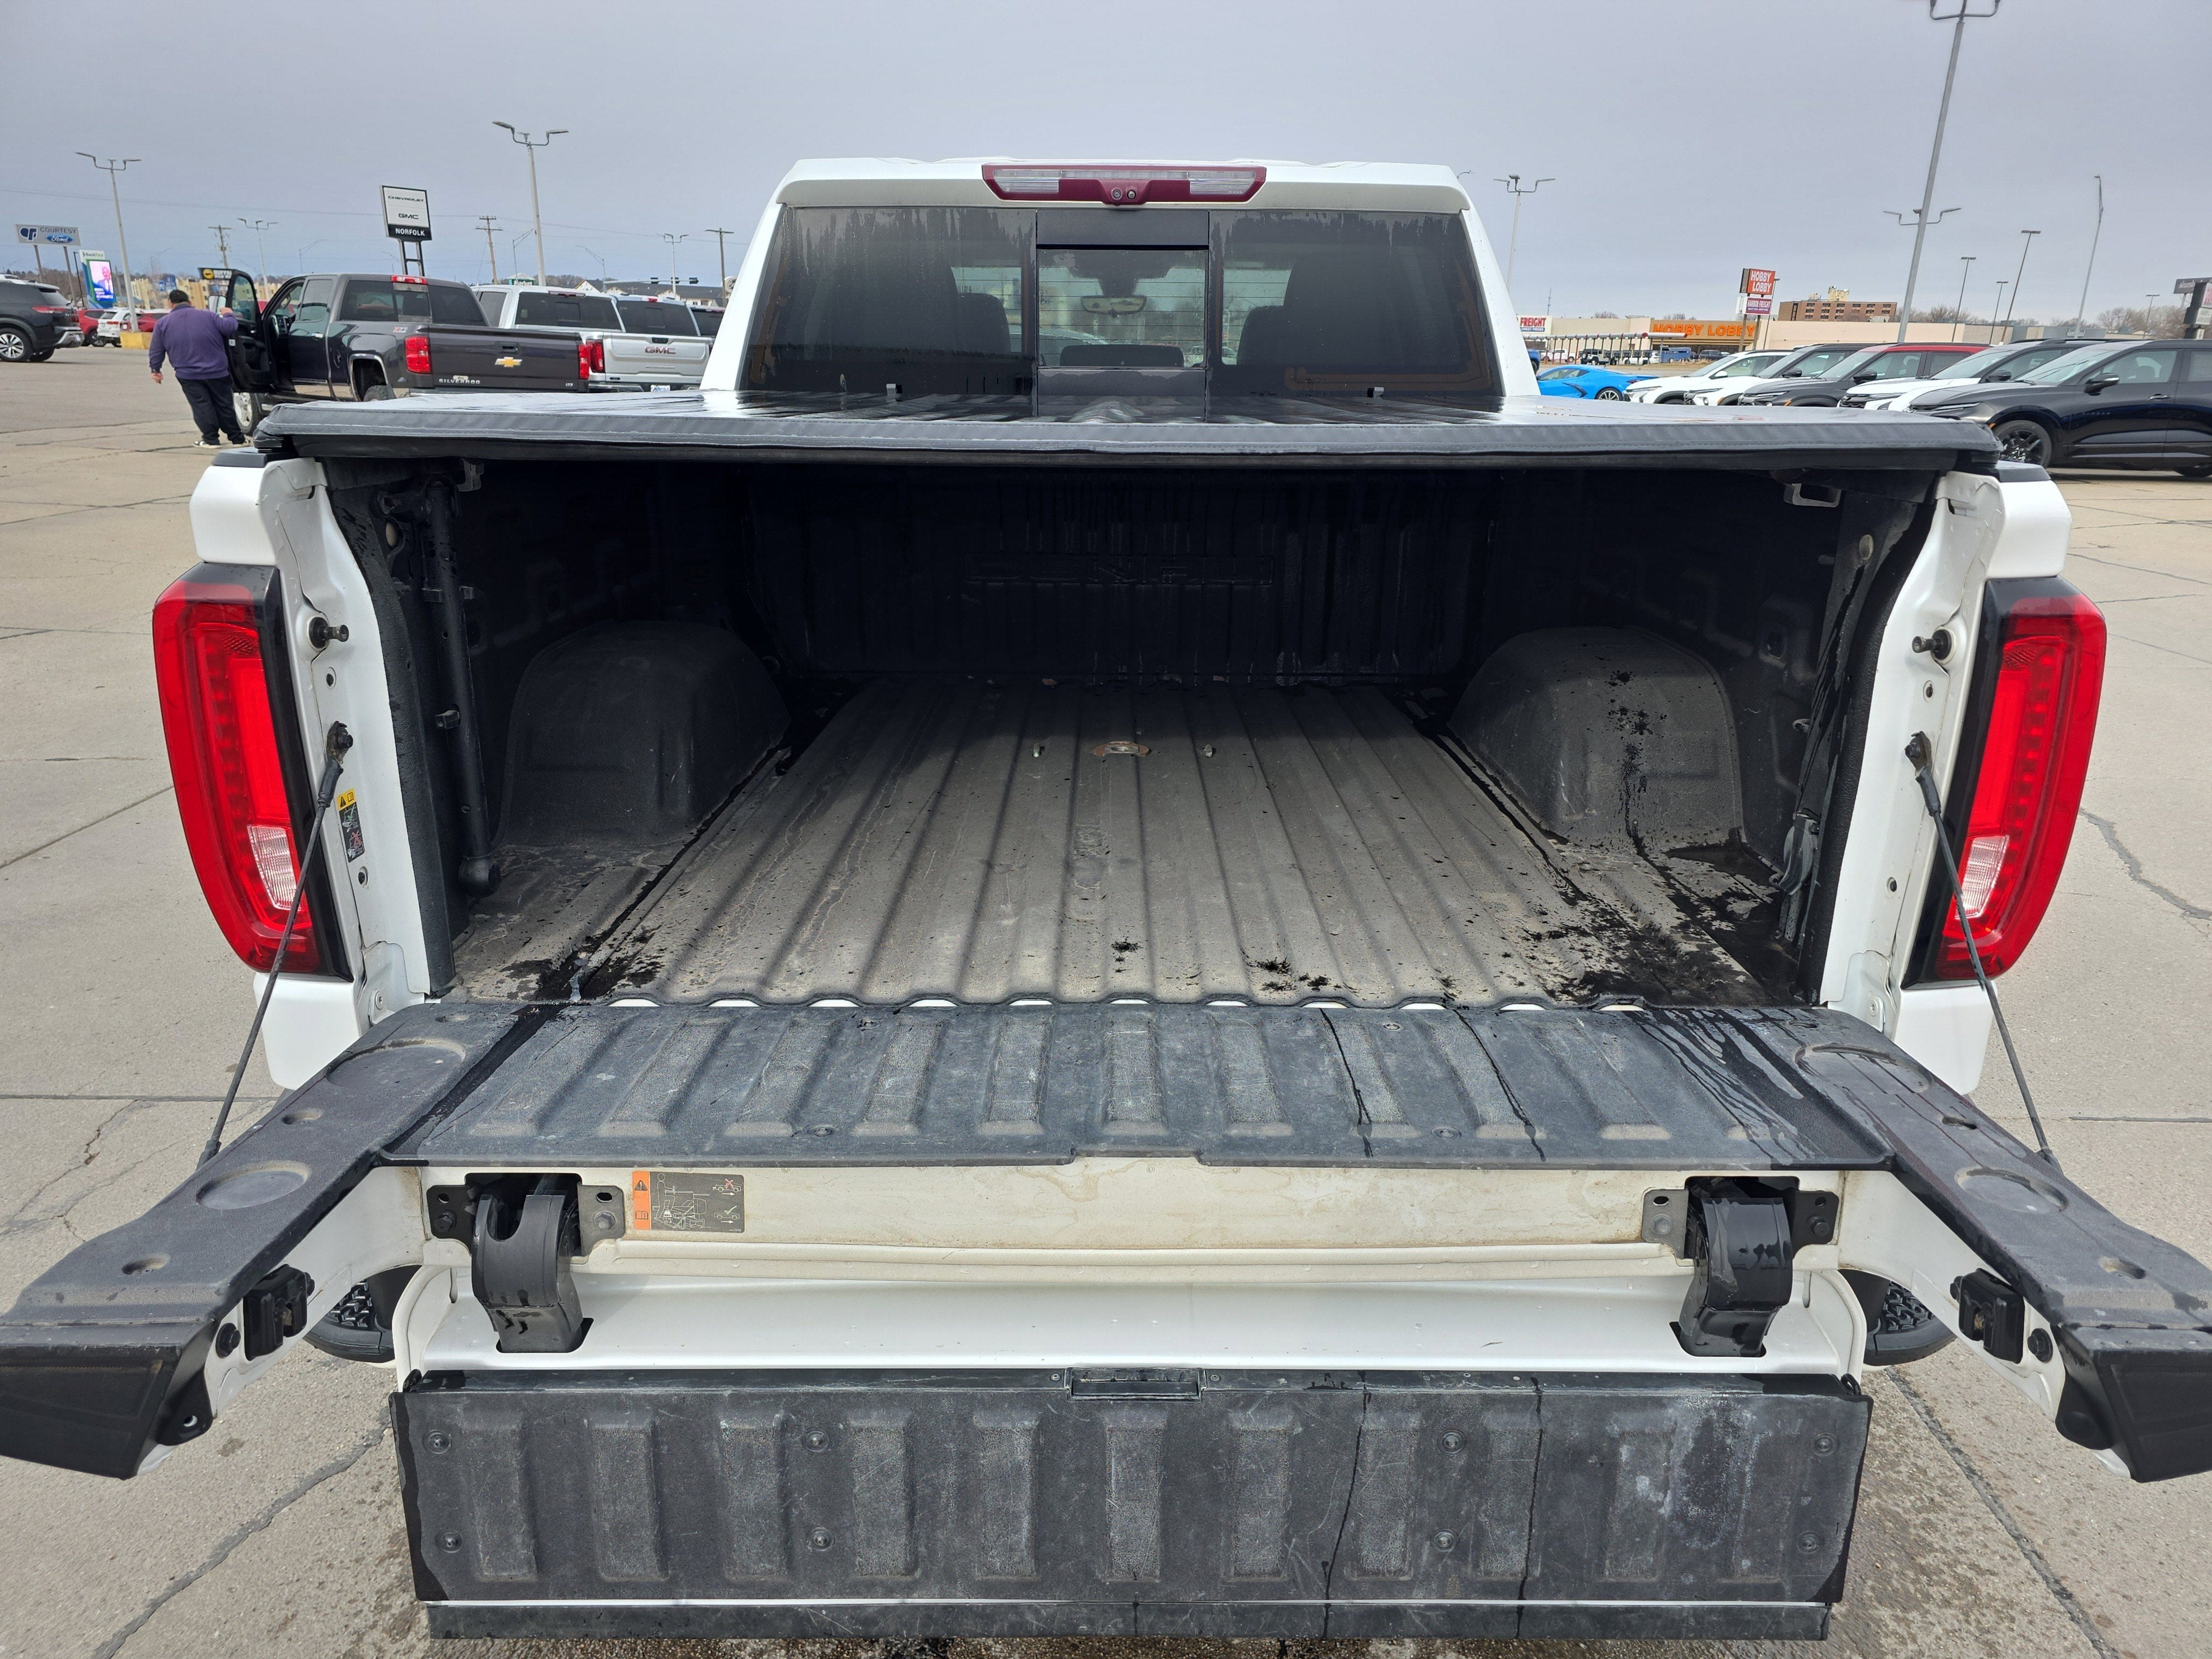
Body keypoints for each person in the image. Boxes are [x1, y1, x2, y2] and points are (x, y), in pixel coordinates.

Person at [147, 290, 245, 448]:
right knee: (224, 404)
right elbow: (229, 328)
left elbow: (157, 349)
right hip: (217, 371)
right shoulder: (209, 316)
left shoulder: (163, 324)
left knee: (202, 405)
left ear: (171, 304)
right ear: (190, 302)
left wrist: (155, 370)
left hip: (188, 375)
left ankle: (211, 440)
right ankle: (237, 439)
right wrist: (228, 314)